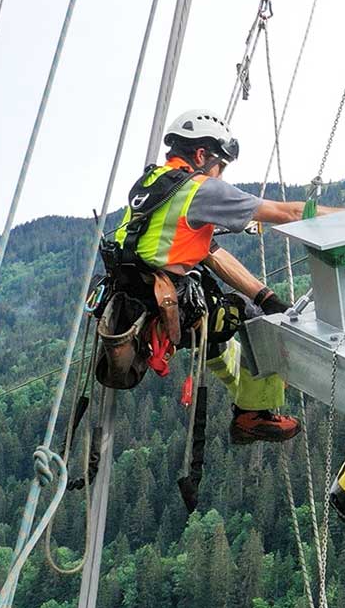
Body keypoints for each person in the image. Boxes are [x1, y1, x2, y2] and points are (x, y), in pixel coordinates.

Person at [108, 108, 331, 444]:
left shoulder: (154, 182)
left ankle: (244, 396)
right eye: (220, 167)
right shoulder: (200, 189)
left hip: (135, 299)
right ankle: (254, 413)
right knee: (258, 321)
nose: (221, 177)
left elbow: (211, 253)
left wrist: (265, 296)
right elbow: (289, 213)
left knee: (233, 309)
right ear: (201, 155)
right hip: (165, 304)